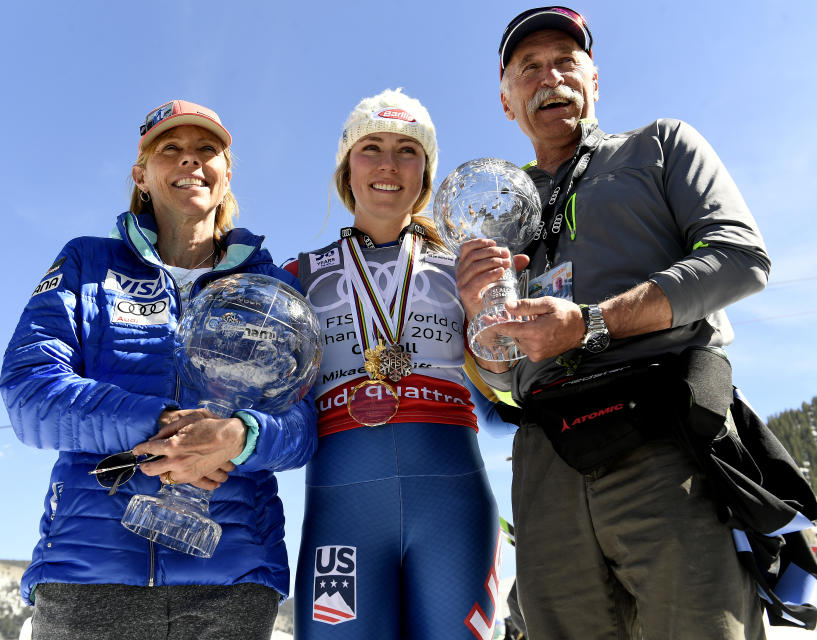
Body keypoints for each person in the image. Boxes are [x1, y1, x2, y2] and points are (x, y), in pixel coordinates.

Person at [457, 7, 772, 639]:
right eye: (529, 69)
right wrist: (481, 326)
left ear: (594, 80)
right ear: (505, 100)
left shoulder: (661, 145)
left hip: (665, 437)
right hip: (546, 457)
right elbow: (501, 378)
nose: (551, 78)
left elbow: (741, 258)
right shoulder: (493, 206)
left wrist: (592, 324)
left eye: (566, 63)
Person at [0, 99, 317, 640]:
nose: (190, 162)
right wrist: (164, 424)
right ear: (141, 175)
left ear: (226, 173)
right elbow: (29, 393)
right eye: (170, 149)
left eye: (206, 150)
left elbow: (304, 427)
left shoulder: (273, 289)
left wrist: (240, 436)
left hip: (233, 580)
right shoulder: (86, 263)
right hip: (87, 578)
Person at [287, 88, 503, 639]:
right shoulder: (295, 276)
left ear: (426, 172)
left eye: (407, 150)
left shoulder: (464, 269)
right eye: (371, 148)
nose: (388, 164)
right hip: (344, 506)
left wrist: (490, 328)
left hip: (452, 502)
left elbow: (507, 403)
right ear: (346, 169)